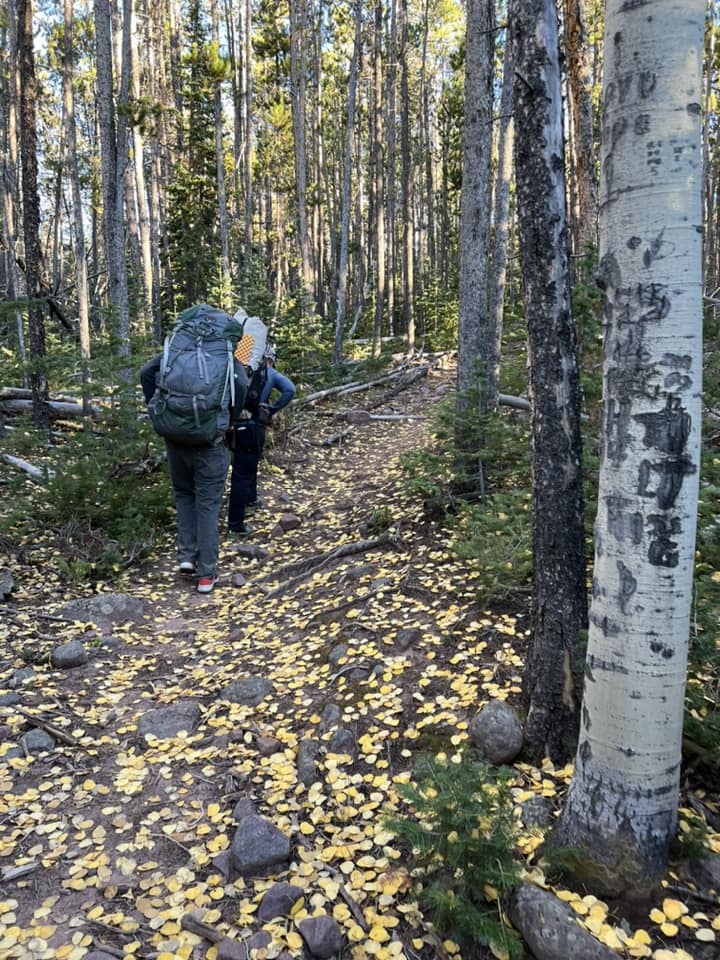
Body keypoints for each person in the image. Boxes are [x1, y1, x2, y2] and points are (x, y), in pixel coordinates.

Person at [140, 339, 248, 594]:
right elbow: (241, 384)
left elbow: (146, 372)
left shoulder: (176, 350)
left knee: (184, 496)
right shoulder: (225, 354)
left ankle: (186, 557)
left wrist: (157, 411)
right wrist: (230, 419)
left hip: (176, 440)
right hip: (210, 442)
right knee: (208, 505)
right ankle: (206, 575)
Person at [227, 346, 295, 536]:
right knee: (243, 471)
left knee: (244, 465)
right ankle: (236, 526)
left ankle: (251, 499)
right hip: (253, 426)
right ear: (269, 360)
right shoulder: (268, 372)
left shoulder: (234, 368)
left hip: (231, 427)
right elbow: (290, 390)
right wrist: (272, 409)